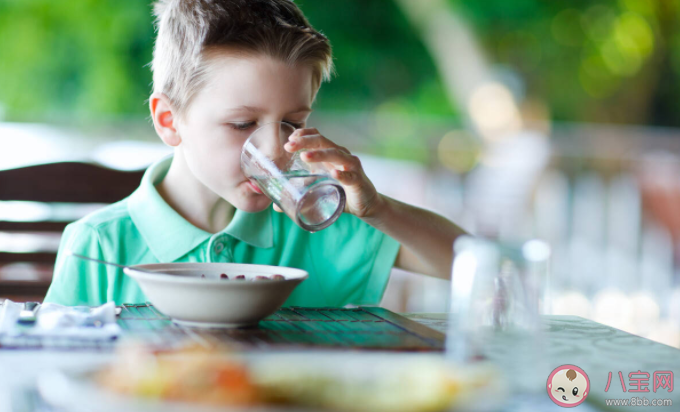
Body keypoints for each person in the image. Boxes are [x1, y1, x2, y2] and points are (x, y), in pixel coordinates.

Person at [44, 0, 465, 307]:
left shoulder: (316, 225)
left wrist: (379, 211)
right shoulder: (98, 246)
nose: (275, 151)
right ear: (170, 122)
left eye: (292, 123)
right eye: (242, 124)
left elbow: (472, 267)